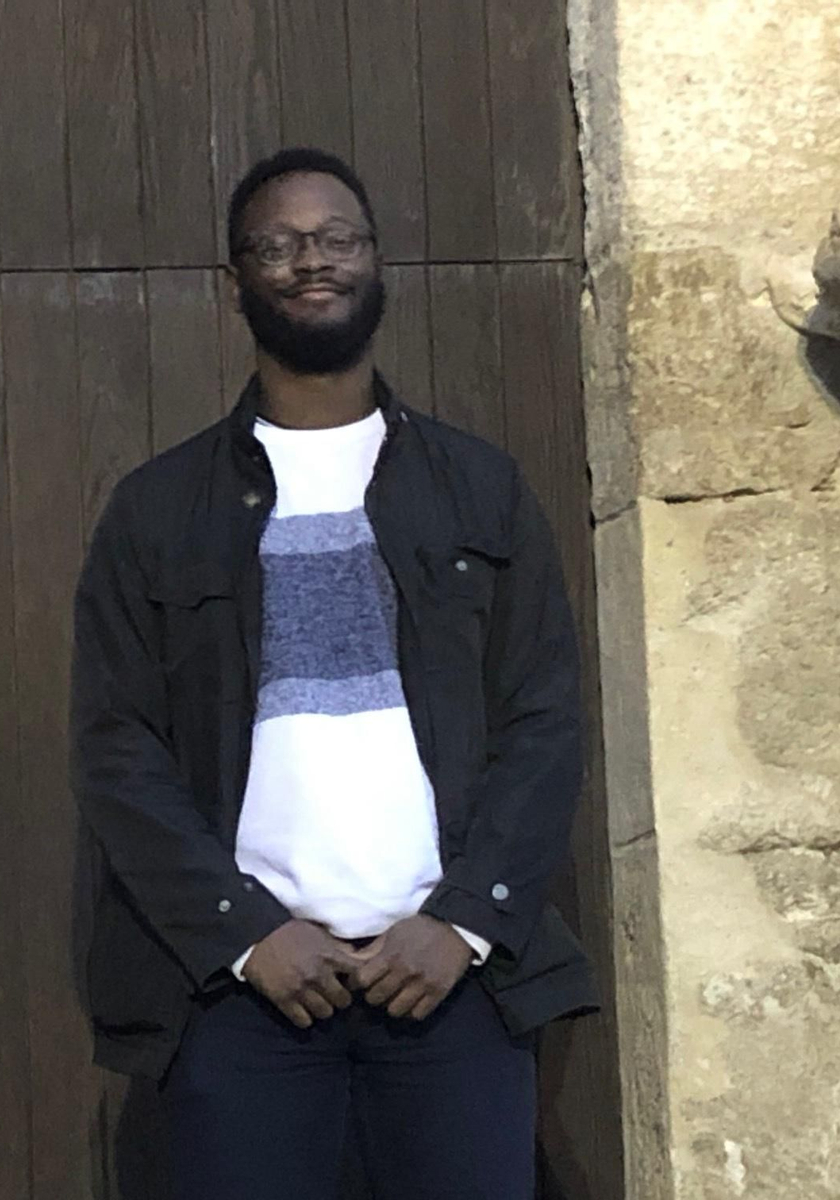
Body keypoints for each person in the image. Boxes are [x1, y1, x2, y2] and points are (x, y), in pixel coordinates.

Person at [70, 146, 595, 1200]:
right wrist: (242, 934)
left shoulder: (478, 488)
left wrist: (464, 921)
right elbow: (118, 748)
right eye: (279, 245)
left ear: (377, 260)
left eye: (336, 238)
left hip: (451, 985)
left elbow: (543, 719)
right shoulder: (157, 509)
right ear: (234, 281)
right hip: (245, 999)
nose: (313, 261)